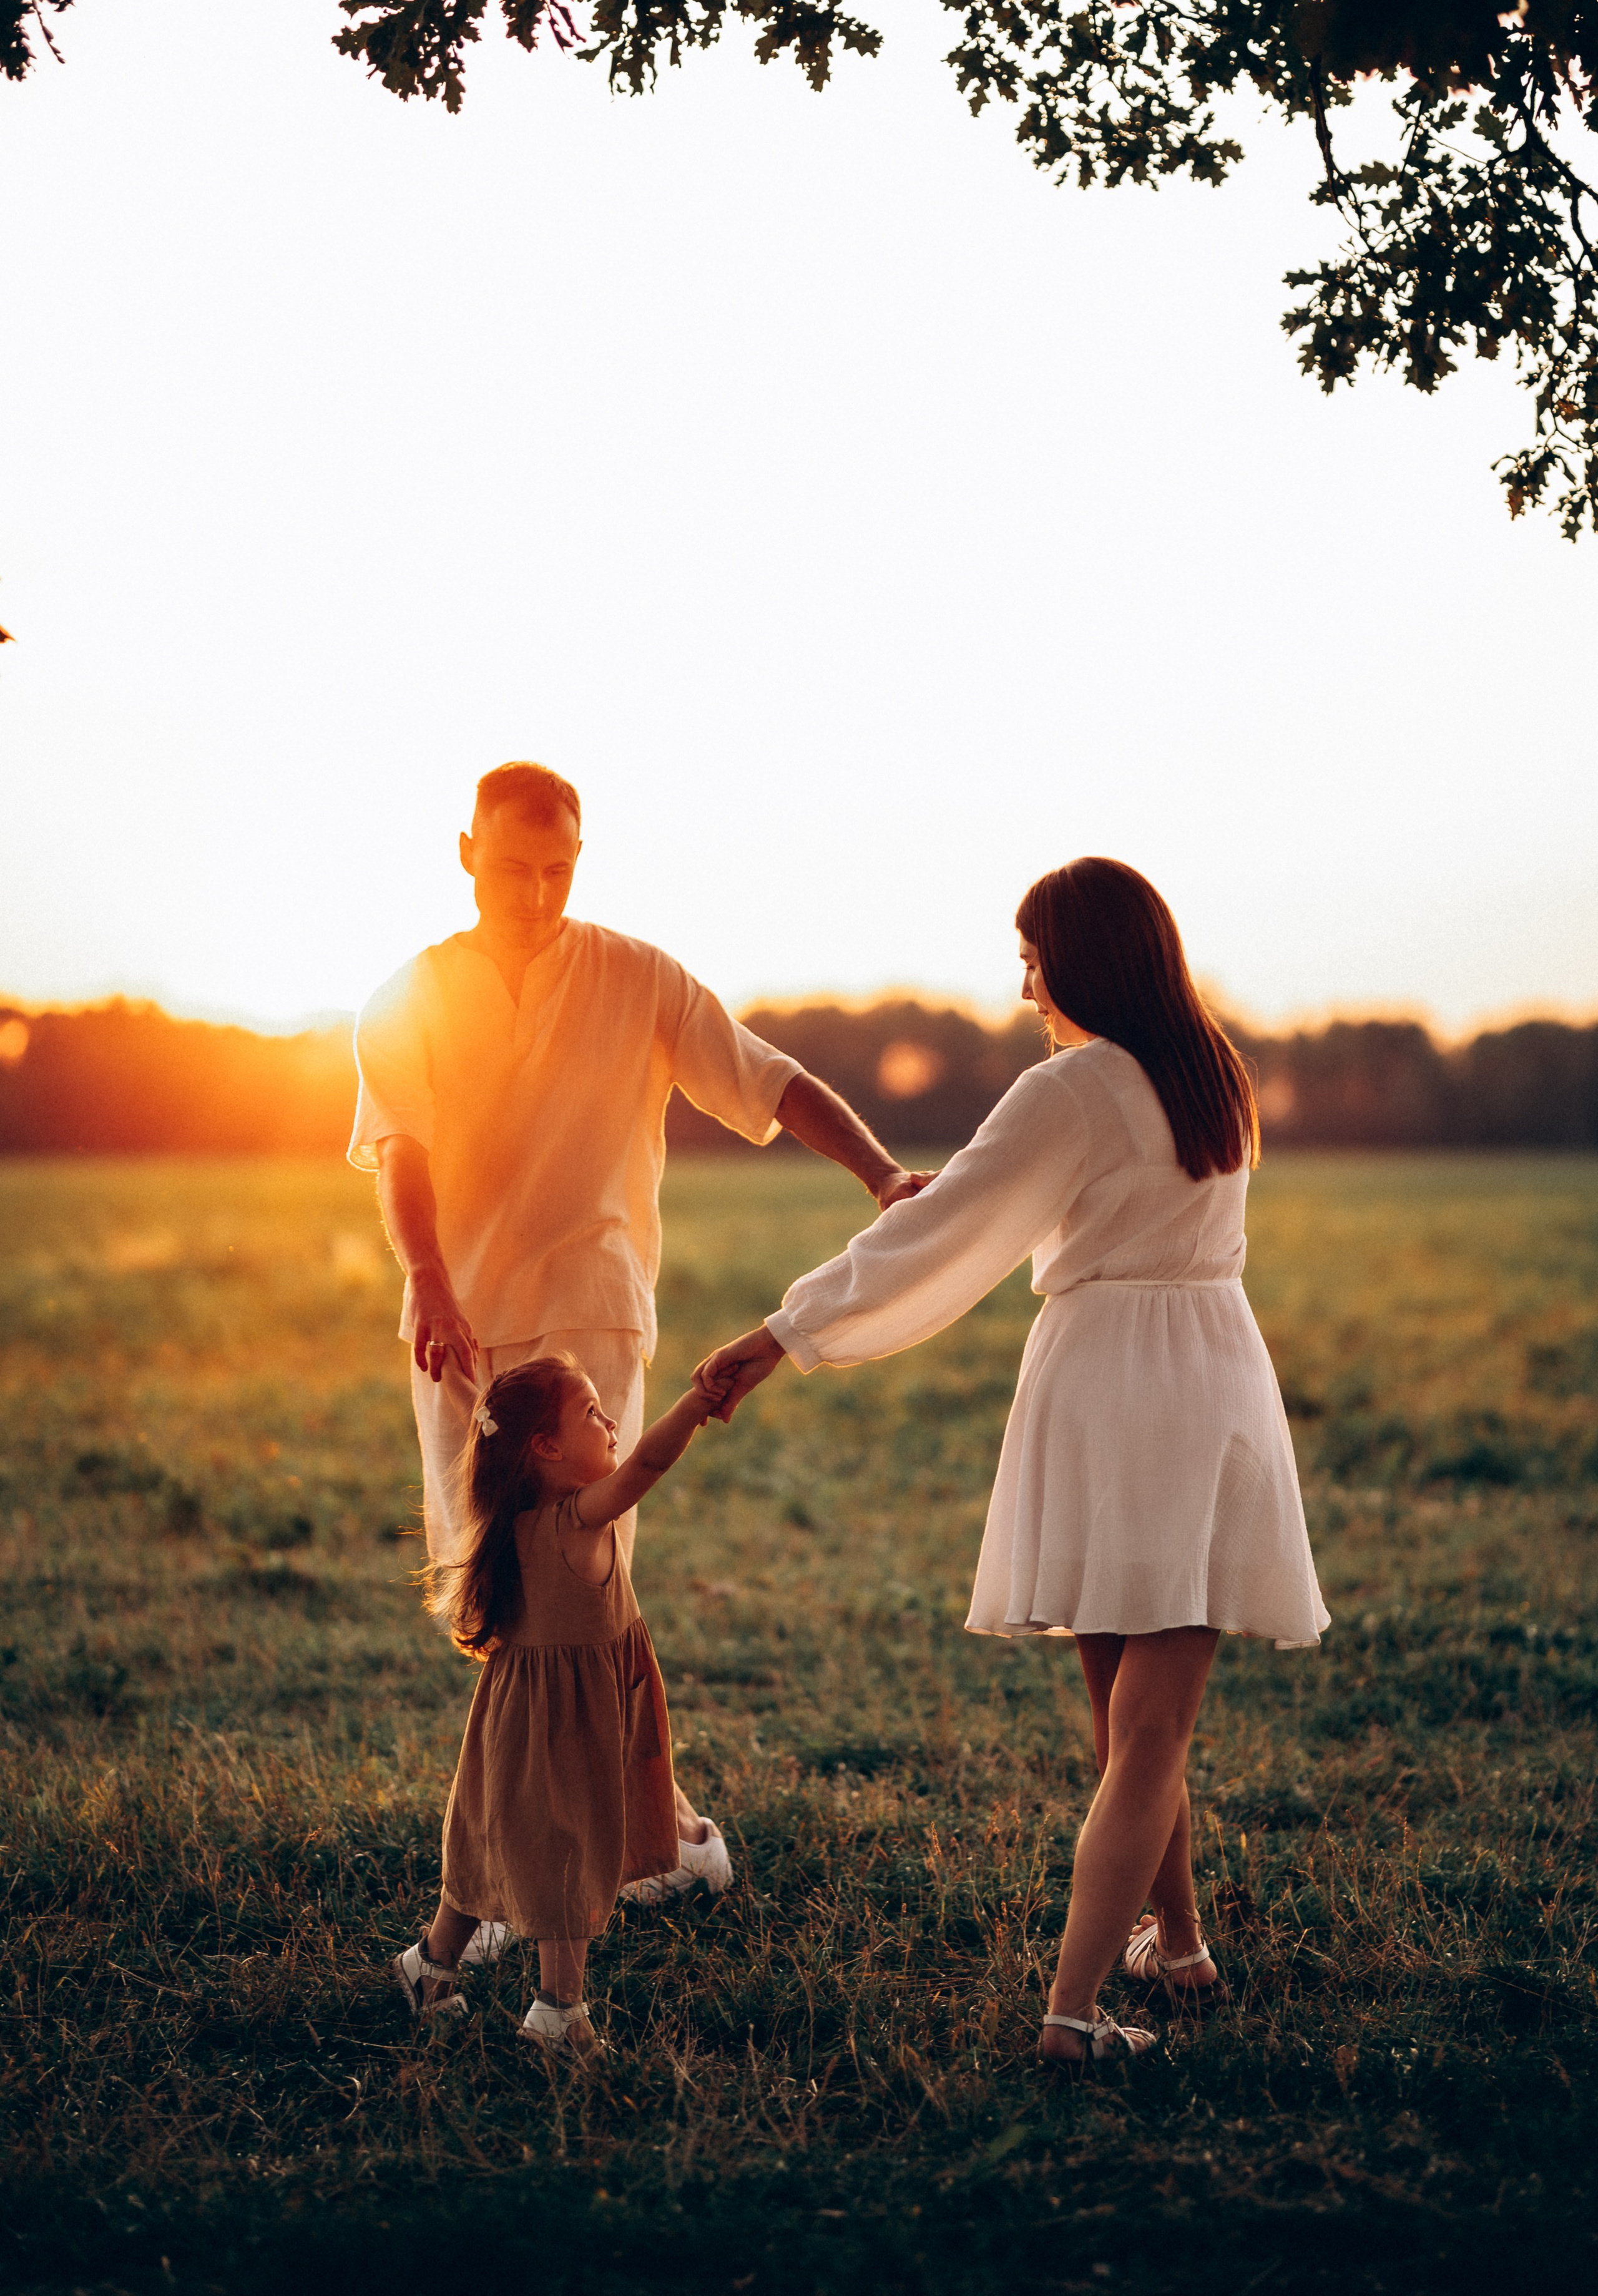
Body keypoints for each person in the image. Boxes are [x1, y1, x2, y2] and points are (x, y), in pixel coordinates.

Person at [697, 857, 1330, 2068]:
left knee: (1135, 1725)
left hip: (1104, 1382)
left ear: (1083, 959)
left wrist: (780, 1333)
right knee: (1141, 1722)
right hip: (1211, 1374)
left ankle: (1069, 2016)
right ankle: (1178, 1944)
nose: (1024, 983)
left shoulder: (1072, 1085)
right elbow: (1058, 1195)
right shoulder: (1215, 1073)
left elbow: (947, 1230)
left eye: (1033, 958)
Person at [350, 760, 928, 1910]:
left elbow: (772, 1081)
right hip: (459, 1329)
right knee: (497, 1604)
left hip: (590, 1319)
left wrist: (881, 1176)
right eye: (513, 868)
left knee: (573, 1602)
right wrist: (426, 1277)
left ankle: (553, 1875)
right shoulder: (408, 995)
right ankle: (659, 1832)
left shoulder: (638, 977)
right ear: (466, 856)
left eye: (558, 868)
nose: (536, 892)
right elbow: (401, 1148)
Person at [392, 1353, 728, 2054]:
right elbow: (646, 1466)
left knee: (501, 1848)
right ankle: (558, 2014)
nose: (611, 1423)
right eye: (593, 1413)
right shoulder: (572, 1521)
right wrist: (696, 1404)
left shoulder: (524, 1522)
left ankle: (431, 1963)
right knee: (566, 1857)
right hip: (554, 1729)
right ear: (546, 1447)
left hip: (546, 1721)